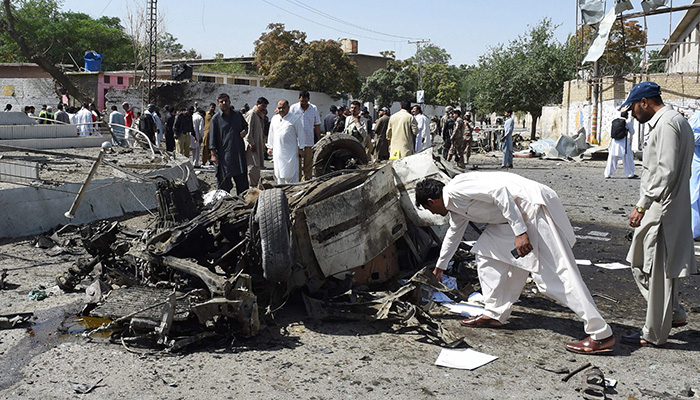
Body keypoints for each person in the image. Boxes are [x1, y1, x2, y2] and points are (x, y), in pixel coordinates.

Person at [415, 174, 615, 354]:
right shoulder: (455, 208)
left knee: (556, 277)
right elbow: (454, 234)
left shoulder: (456, 189)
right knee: (486, 253)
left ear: (431, 201)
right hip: (510, 220)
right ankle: (494, 313)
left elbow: (499, 192)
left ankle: (600, 333)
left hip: (533, 209)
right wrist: (441, 266)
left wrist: (520, 232)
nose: (432, 214)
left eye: (428, 208)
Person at [620, 81, 697, 347]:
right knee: (642, 263)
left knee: (657, 271)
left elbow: (665, 171)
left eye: (632, 107)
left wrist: (642, 204)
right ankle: (673, 313)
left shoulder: (665, 124)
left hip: (661, 209)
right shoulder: (677, 121)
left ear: (644, 102)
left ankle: (653, 334)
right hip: (668, 207)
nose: (631, 114)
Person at [209, 93, 249, 194]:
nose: (224, 103)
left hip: (238, 154)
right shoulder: (216, 119)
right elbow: (212, 138)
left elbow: (246, 126)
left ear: (229, 102)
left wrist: (244, 131)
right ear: (218, 104)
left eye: (225, 101)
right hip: (224, 156)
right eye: (221, 101)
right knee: (224, 185)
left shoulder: (237, 115)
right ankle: (225, 204)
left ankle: (243, 203)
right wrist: (213, 154)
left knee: (242, 183)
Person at [267, 99, 304, 184]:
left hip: (291, 152)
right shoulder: (274, 118)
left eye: (283, 108)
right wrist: (270, 147)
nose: (281, 110)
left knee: (291, 173)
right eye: (279, 108)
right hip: (278, 151)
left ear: (288, 107)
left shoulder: (295, 118)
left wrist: (301, 148)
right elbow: (271, 133)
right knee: (279, 173)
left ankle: (293, 193)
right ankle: (281, 191)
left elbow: (301, 134)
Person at [289, 91, 321, 181]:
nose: (303, 103)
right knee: (297, 163)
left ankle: (307, 180)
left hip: (309, 140)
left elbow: (317, 124)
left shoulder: (313, 108)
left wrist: (318, 138)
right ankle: (297, 180)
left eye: (305, 101)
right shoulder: (293, 108)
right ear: (299, 99)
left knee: (308, 163)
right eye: (302, 101)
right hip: (296, 141)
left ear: (308, 100)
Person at [244, 97, 269, 187]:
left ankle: (254, 184)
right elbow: (248, 130)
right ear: (257, 104)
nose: (264, 108)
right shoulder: (252, 114)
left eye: (265, 106)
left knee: (256, 165)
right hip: (252, 145)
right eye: (262, 106)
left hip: (257, 143)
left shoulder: (259, 115)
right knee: (252, 166)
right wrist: (251, 143)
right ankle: (251, 185)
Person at [604, 111, 636, 179]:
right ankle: (630, 174)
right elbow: (632, 132)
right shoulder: (627, 122)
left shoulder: (615, 121)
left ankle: (607, 174)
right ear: (626, 116)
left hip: (614, 143)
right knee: (627, 159)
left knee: (611, 159)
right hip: (623, 143)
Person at [689, 110, 700, 239]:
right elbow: (691, 136)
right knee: (695, 196)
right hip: (697, 163)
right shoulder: (697, 117)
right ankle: (694, 231)